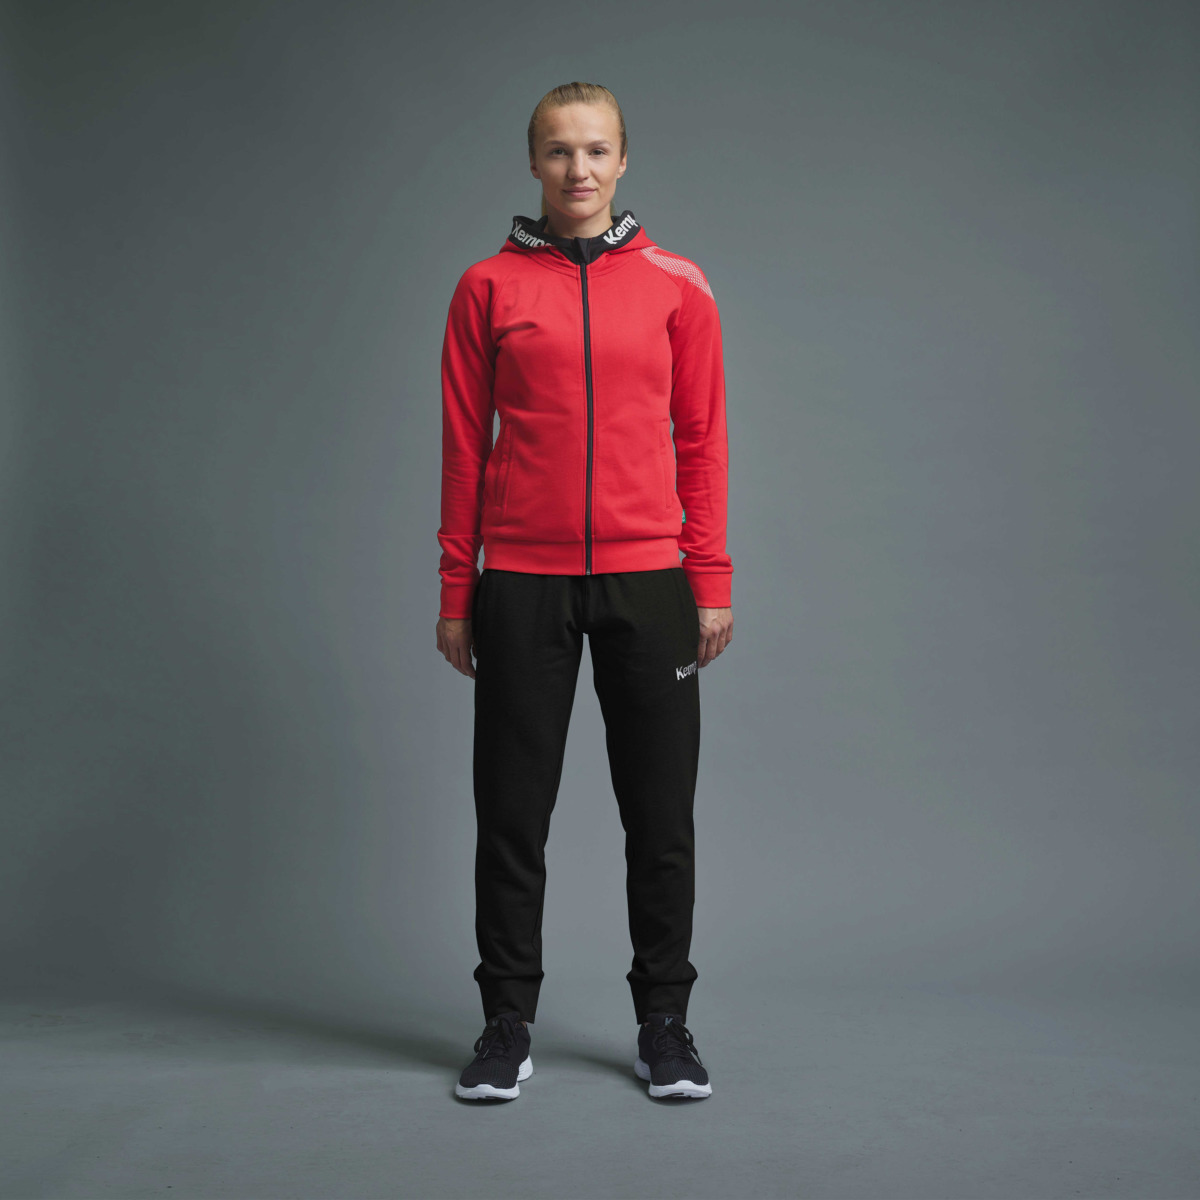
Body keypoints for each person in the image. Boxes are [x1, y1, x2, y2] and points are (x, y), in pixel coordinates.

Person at [435, 82, 734, 1102]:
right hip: (522, 581)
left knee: (660, 815)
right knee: (511, 813)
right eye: (559, 150)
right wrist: (457, 589)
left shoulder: (677, 284)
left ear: (623, 160)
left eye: (597, 150)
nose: (579, 169)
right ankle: (505, 1023)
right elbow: (463, 448)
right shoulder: (486, 288)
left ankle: (665, 1025)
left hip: (652, 582)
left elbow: (702, 440)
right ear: (532, 163)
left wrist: (710, 577)